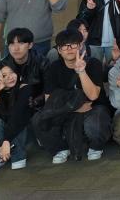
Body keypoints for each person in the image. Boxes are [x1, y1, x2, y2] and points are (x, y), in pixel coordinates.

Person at [41, 29, 112, 164]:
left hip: (93, 107)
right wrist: (74, 108)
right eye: (64, 46)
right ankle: (61, 148)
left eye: (73, 44)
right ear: (59, 50)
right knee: (40, 119)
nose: (69, 49)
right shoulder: (54, 68)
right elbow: (49, 100)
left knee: (96, 122)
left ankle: (96, 146)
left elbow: (93, 95)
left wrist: (81, 71)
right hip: (67, 108)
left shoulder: (93, 63)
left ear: (80, 46)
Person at [0, 61, 33, 171]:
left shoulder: (24, 89)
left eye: (12, 72)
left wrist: (6, 141)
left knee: (17, 120)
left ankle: (18, 155)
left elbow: (17, 117)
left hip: (22, 128)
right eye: (4, 75)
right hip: (4, 128)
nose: (10, 77)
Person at [0, 28, 48, 113]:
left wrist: (35, 102)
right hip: (9, 106)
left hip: (35, 106)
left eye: (21, 43)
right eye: (12, 44)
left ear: (30, 45)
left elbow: (49, 90)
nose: (16, 48)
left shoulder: (42, 63)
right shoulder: (2, 65)